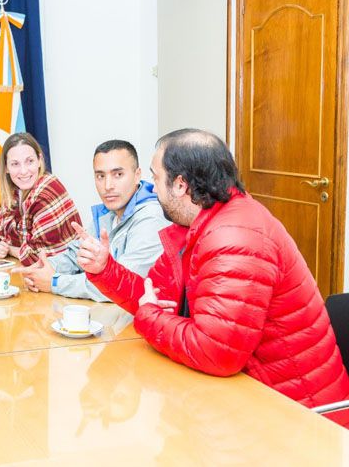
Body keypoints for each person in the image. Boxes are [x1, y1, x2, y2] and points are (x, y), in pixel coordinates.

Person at [76, 128, 349, 415]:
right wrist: (105, 269)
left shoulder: (234, 237)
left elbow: (216, 352)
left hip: (301, 415)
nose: (151, 188)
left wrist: (149, 316)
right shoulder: (200, 222)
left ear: (180, 185)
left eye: (155, 178)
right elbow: (153, 294)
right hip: (253, 394)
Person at [14, 140, 170, 299]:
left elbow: (122, 284)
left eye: (118, 175)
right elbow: (76, 255)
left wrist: (54, 282)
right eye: (100, 176)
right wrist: (42, 270)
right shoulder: (108, 212)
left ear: (137, 176)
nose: (108, 185)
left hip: (140, 317)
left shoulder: (152, 217)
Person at [0, 132, 80, 266]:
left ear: (39, 160)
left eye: (30, 161)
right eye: (15, 164)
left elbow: (39, 258)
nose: (23, 171)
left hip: (63, 276)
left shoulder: (47, 191)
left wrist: (8, 249)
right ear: (6, 168)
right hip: (31, 274)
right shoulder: (15, 192)